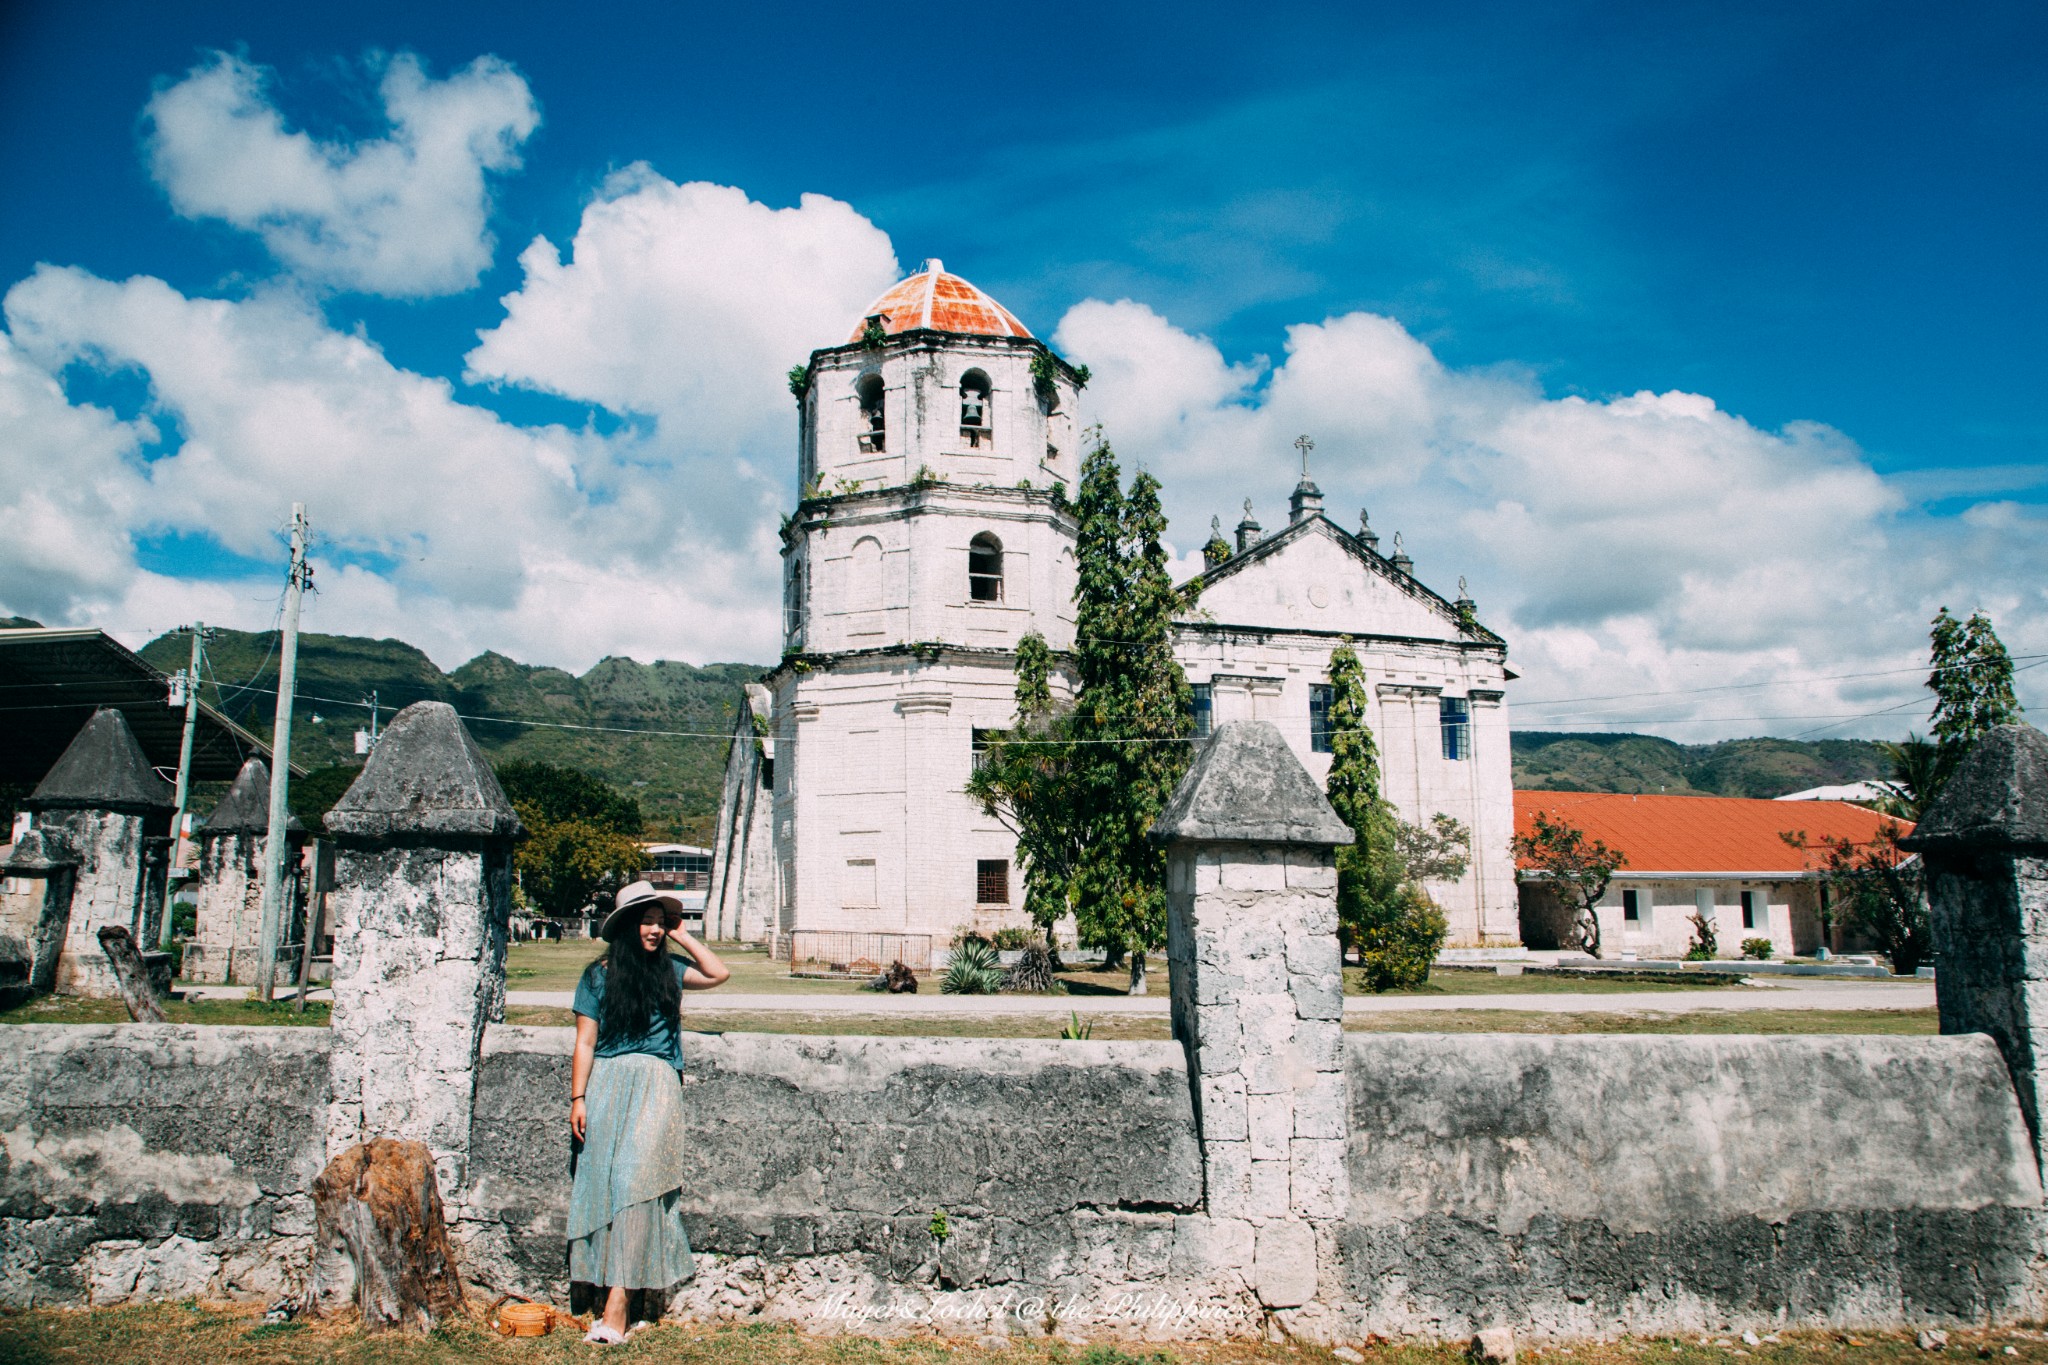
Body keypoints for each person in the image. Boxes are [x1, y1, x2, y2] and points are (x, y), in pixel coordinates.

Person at [567, 880, 730, 1345]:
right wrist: (578, 1098)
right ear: (625, 926)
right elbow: (585, 1041)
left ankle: (619, 1304)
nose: (655, 930)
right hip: (608, 1084)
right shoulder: (597, 975)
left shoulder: (671, 970)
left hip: (658, 1084)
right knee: (603, 1185)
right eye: (647, 921)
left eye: (661, 921)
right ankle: (601, 1291)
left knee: (637, 1185)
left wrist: (683, 933)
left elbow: (718, 973)